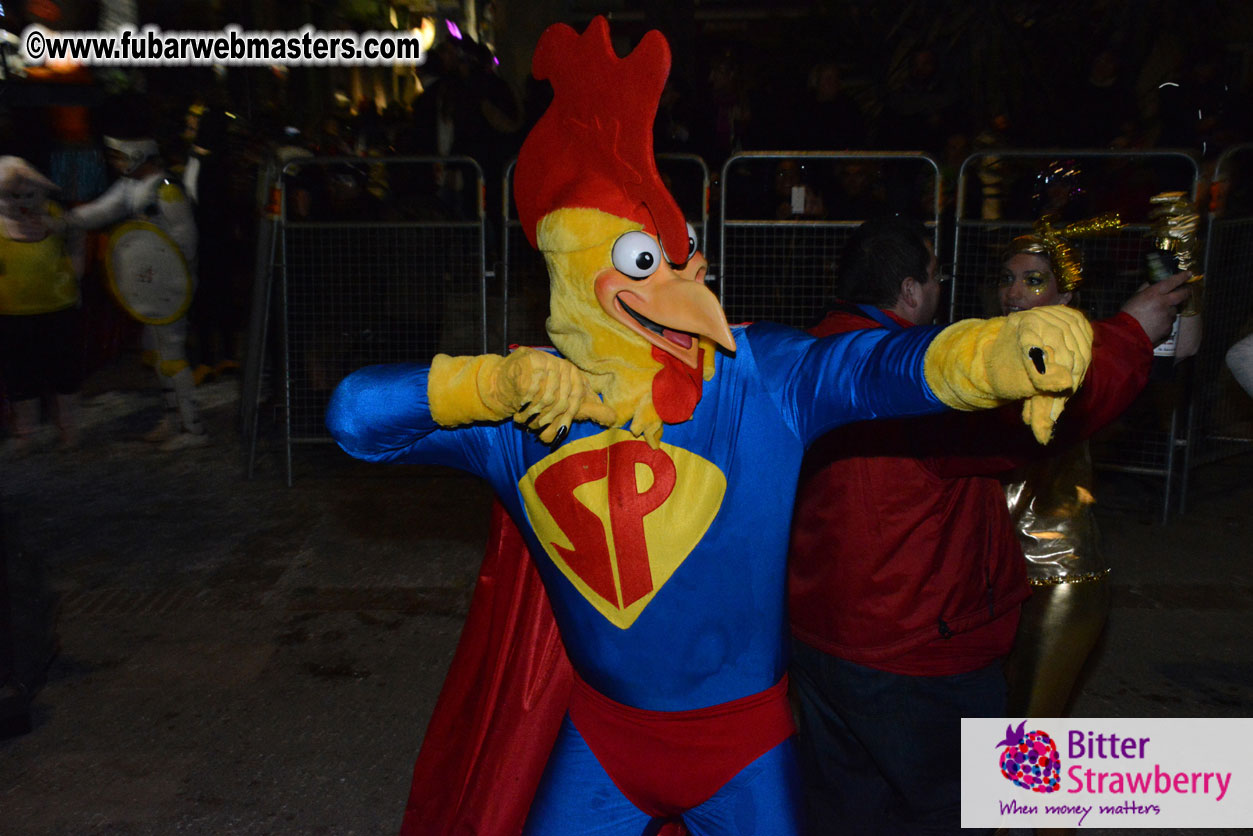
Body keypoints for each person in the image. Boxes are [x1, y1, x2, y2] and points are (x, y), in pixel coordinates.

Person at [327, 18, 1096, 836]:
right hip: (602, 741)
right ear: (575, 273)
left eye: (680, 256)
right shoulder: (519, 417)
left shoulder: (756, 379)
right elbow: (354, 418)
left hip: (743, 750)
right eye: (640, 262)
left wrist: (991, 353)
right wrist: (488, 380)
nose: (682, 286)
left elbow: (870, 369)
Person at [787, 216, 1191, 835]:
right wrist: (1131, 332)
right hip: (919, 647)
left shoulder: (798, 358)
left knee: (854, 805)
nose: (1011, 291)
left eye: (1032, 279)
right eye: (935, 276)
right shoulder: (919, 378)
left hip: (828, 641)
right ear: (910, 291)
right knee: (965, 805)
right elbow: (1048, 406)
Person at [996, 218, 1194, 721]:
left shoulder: (1079, 351)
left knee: (1027, 735)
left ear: (1064, 298)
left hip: (1057, 575)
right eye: (1008, 278)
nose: (1014, 292)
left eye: (1033, 280)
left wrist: (1181, 264)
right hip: (995, 576)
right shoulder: (983, 350)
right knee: (992, 723)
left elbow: (1179, 344)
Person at [67, 129, 207, 450]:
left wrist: (169, 282)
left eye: (120, 155)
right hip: (151, 283)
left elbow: (186, 243)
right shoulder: (131, 187)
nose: (116, 162)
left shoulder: (168, 190)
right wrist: (68, 219)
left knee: (171, 357)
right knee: (159, 356)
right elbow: (103, 210)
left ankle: (192, 428)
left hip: (169, 286)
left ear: (138, 154)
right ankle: (174, 419)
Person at [0, 157, 84, 453]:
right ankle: (26, 432)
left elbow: (76, 237)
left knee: (64, 372)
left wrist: (76, 272)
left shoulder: (54, 214)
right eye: (14, 195)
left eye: (29, 195)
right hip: (13, 313)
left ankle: (68, 428)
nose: (22, 201)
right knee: (21, 376)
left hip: (57, 307)